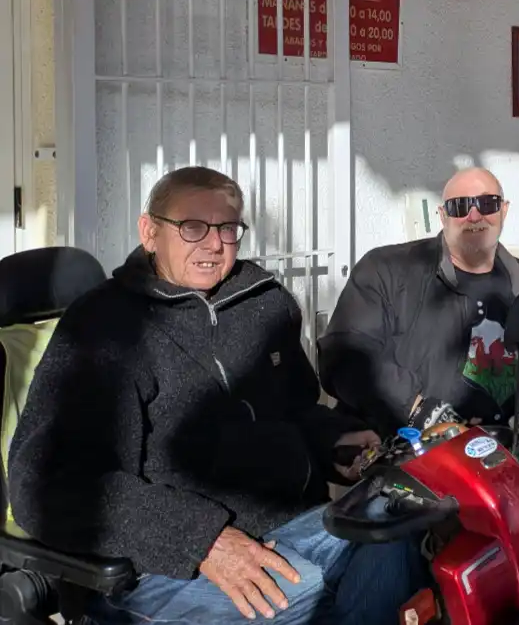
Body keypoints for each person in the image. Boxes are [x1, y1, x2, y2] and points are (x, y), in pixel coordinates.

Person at [7, 167, 420, 624]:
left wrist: (338, 442)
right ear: (150, 232)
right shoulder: (104, 329)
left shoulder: (263, 302)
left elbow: (298, 410)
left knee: (403, 528)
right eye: (192, 227)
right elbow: (46, 484)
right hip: (162, 565)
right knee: (319, 588)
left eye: (227, 228)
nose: (213, 243)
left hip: (290, 524)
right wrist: (202, 540)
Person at [318, 167, 519, 431]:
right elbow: (344, 355)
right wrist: (419, 411)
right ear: (443, 216)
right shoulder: (385, 271)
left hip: (506, 454)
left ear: (504, 210)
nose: (474, 215)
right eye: (460, 206)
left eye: (487, 203)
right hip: (406, 449)